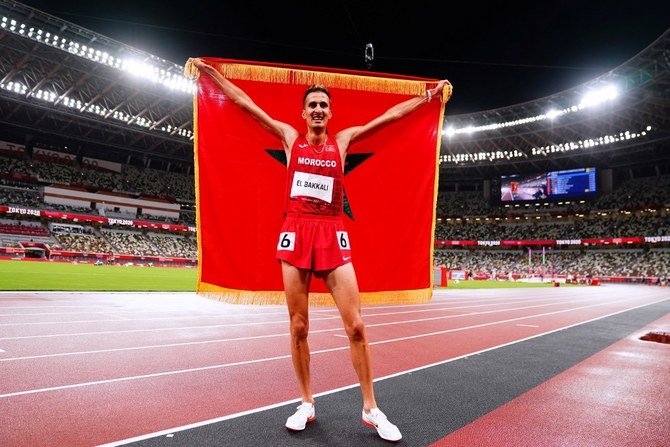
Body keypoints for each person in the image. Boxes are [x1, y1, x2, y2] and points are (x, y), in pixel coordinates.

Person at [191, 58, 450, 442]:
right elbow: (246, 103)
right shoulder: (288, 137)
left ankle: (371, 408)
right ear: (303, 112)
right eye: (311, 105)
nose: (317, 110)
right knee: (298, 327)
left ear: (330, 113)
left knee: (357, 326)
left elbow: (389, 117)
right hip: (295, 230)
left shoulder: (343, 141)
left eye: (323, 105)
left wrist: (427, 97)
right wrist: (211, 74)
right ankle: (306, 403)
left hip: (332, 231)